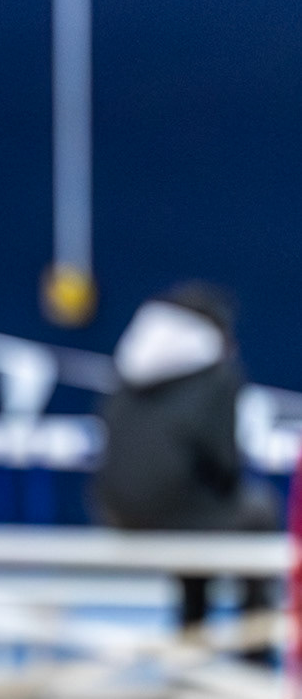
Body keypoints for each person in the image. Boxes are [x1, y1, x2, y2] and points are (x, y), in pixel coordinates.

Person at [93, 282, 278, 662]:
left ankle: (191, 637)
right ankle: (254, 651)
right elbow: (223, 461)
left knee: (199, 514)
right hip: (177, 512)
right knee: (255, 511)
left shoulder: (129, 370)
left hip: (117, 513)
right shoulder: (216, 377)